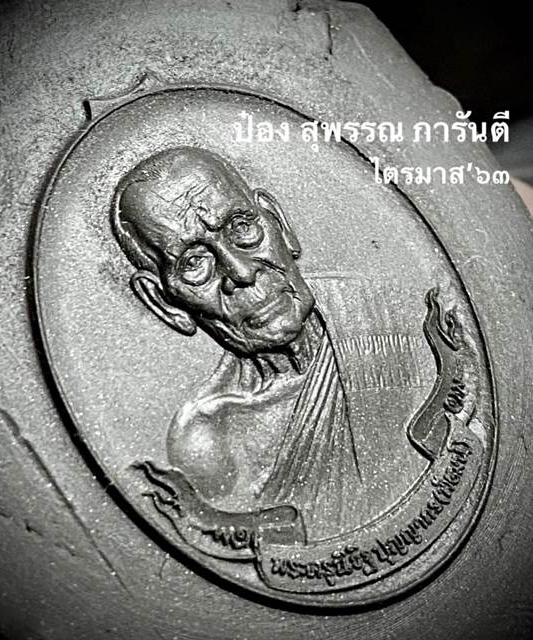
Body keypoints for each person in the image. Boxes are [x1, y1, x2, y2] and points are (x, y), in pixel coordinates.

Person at [111, 147, 368, 539]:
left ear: (279, 224)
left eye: (241, 227)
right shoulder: (209, 438)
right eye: (194, 263)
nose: (242, 272)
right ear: (165, 303)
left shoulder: (387, 317)